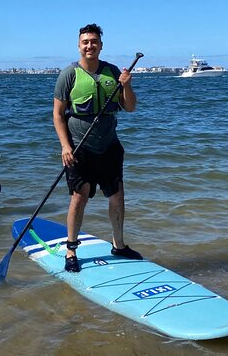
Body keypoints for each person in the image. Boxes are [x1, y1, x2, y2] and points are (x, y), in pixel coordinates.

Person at [53, 23, 143, 273]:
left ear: (101, 46)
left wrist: (126, 85)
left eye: (94, 41)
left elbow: (130, 107)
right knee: (79, 198)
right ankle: (71, 249)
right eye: (85, 42)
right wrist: (64, 146)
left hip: (109, 147)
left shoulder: (112, 72)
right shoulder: (68, 75)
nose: (89, 45)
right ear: (79, 45)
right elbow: (58, 115)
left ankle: (119, 245)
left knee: (117, 195)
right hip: (79, 148)